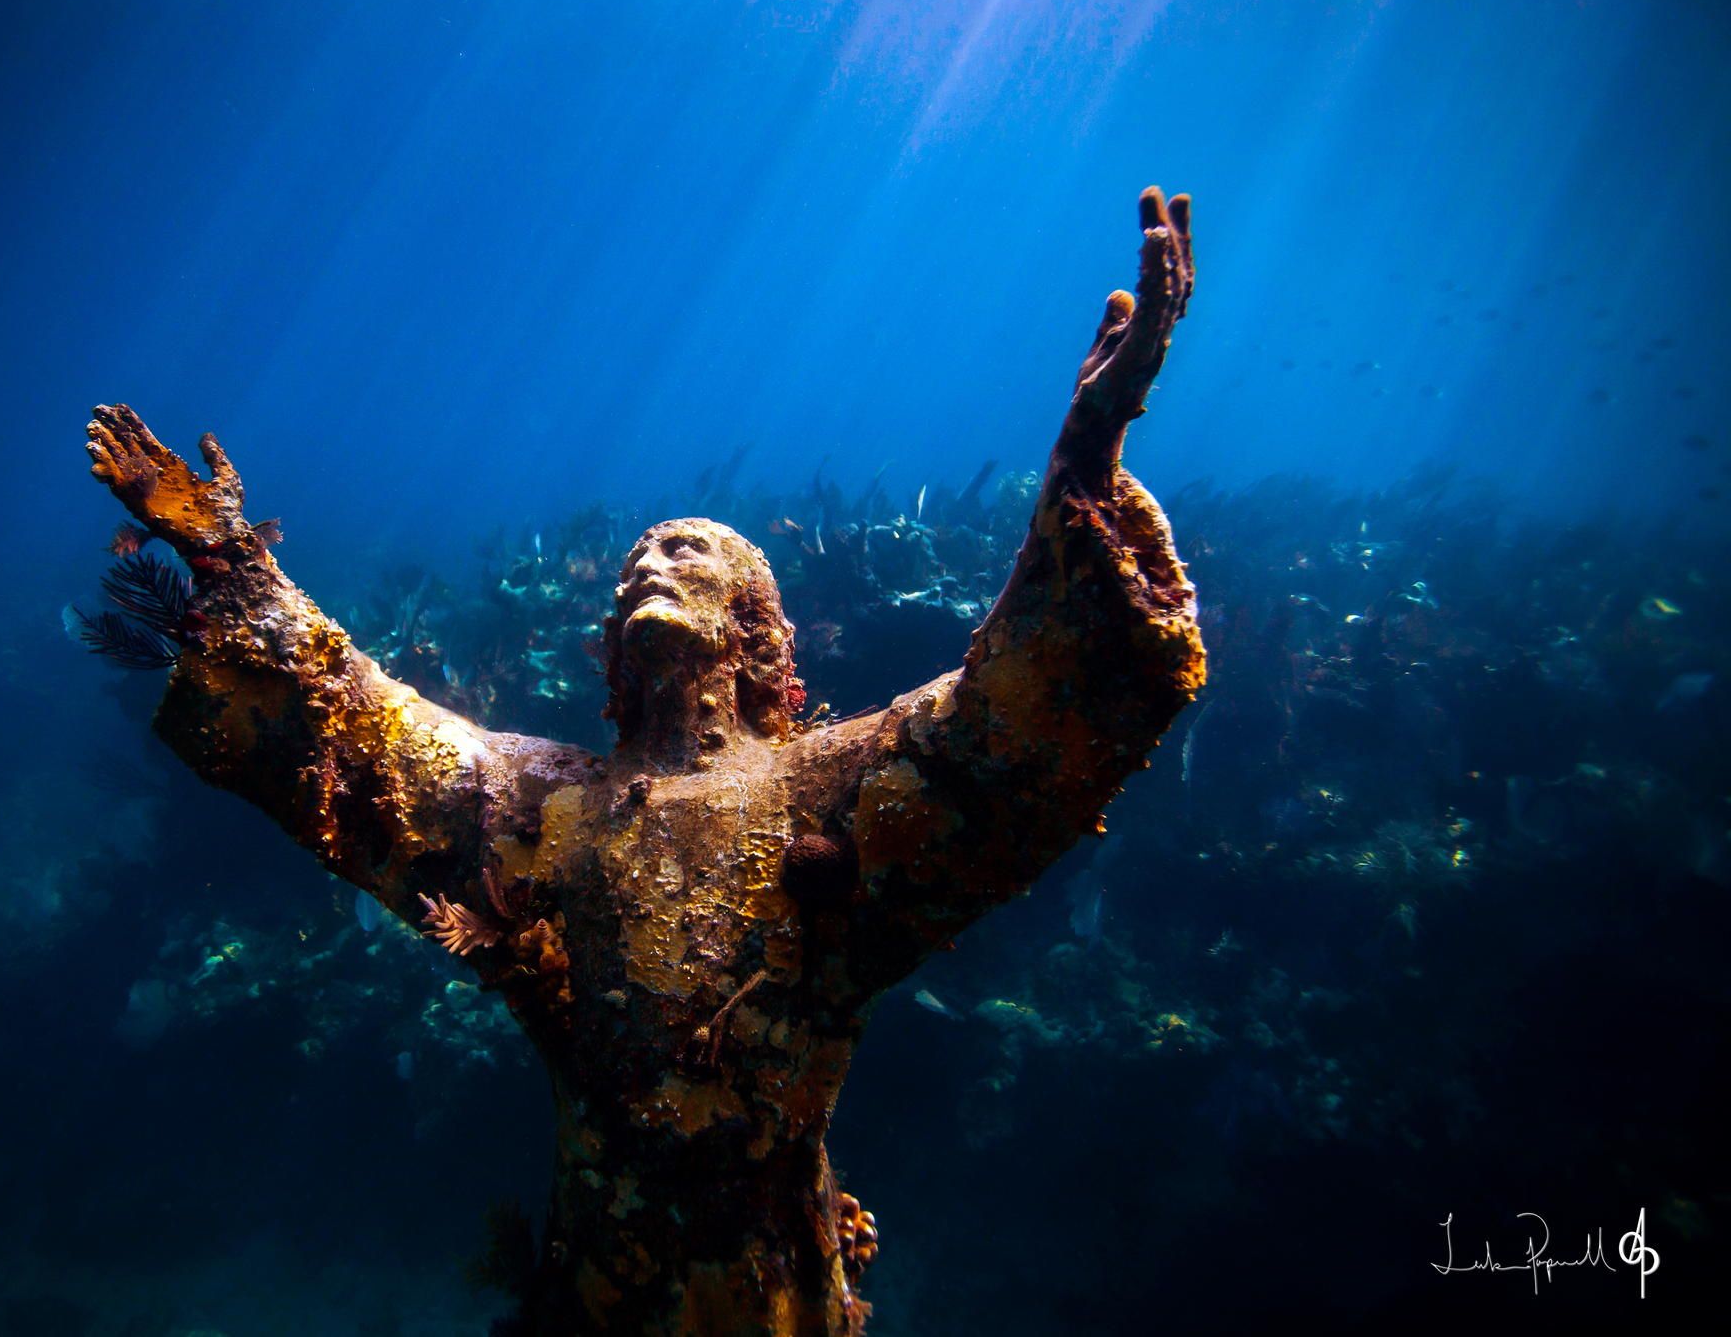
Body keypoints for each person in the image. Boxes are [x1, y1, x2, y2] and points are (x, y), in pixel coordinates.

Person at [86, 186, 1202, 1337]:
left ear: (753, 619)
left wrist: (1084, 450)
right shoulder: (547, 806)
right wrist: (222, 552)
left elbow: (999, 728)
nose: (643, 569)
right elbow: (367, 736)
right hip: (597, 1295)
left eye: (682, 550)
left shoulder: (825, 791)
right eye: (629, 564)